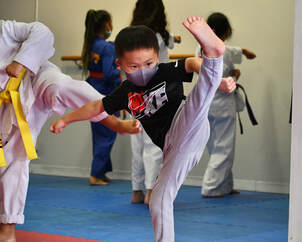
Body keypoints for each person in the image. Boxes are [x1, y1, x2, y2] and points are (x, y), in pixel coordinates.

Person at [50, 16, 235, 242]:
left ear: (157, 58)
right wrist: (67, 119)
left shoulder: (164, 71)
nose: (143, 70)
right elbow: (96, 107)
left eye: (148, 63)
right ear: (119, 65)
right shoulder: (125, 92)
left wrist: (214, 75)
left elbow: (190, 63)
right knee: (158, 199)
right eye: (134, 66)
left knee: (199, 100)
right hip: (172, 148)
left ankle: (213, 54)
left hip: (183, 121)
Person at [0, 20, 141, 242]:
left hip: (34, 77)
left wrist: (19, 62)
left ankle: (114, 122)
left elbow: (43, 31)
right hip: (5, 102)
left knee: (62, 87)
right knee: (11, 160)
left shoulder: (4, 28)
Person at [129, 0, 181, 205]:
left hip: (135, 91)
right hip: (156, 91)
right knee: (153, 143)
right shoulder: (159, 36)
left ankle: (136, 191)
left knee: (137, 142)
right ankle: (151, 190)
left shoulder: (131, 37)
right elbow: (167, 44)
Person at [199, 12, 256, 198]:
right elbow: (219, 80)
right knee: (224, 148)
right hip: (221, 104)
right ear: (227, 31)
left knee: (216, 147)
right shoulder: (219, 51)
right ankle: (211, 187)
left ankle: (225, 185)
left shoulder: (201, 48)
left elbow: (230, 50)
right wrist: (235, 76)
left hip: (206, 105)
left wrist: (244, 52)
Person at [82, 10, 121, 186]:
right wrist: (124, 69)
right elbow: (109, 74)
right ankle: (95, 175)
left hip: (92, 90)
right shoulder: (107, 47)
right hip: (104, 91)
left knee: (101, 133)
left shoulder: (92, 45)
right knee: (107, 133)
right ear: (106, 24)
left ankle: (101, 172)